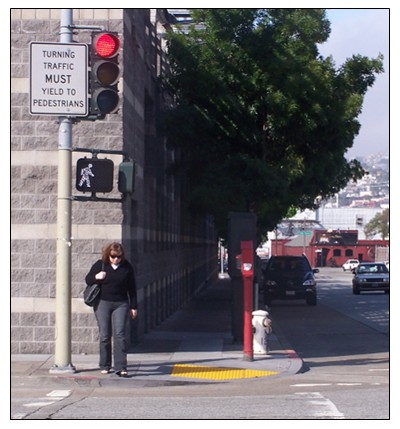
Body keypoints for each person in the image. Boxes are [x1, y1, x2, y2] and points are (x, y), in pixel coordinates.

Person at [85, 242, 138, 377]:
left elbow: (132, 288)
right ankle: (105, 364)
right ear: (108, 255)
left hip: (121, 303)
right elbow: (88, 279)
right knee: (104, 335)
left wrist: (134, 306)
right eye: (113, 257)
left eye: (119, 257)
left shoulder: (127, 267)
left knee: (120, 334)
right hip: (103, 303)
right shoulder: (100, 265)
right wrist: (97, 277)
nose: (116, 259)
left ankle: (121, 367)